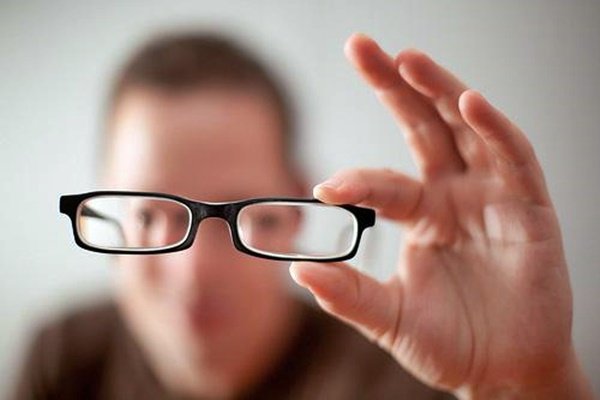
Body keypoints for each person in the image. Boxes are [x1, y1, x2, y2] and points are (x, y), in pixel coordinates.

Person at [11, 31, 593, 399]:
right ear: (105, 213)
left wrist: (524, 386)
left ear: (293, 213)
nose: (195, 272)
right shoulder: (62, 359)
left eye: (249, 214)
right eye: (148, 214)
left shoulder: (408, 379)